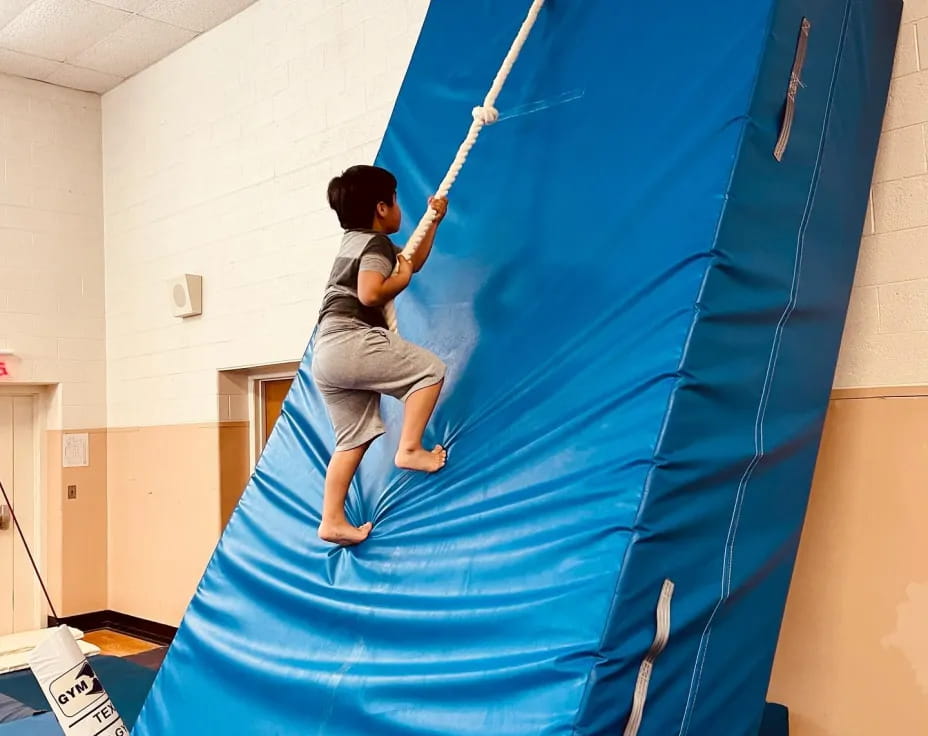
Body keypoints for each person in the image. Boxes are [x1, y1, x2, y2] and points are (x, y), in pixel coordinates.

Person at [312, 165, 448, 546]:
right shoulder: (373, 246)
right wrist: (400, 280)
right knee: (430, 371)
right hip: (350, 338)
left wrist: (433, 220)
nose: (399, 207)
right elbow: (372, 293)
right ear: (382, 208)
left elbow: (410, 261)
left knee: (351, 439)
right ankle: (409, 449)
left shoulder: (354, 242)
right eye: (396, 200)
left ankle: (332, 520)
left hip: (326, 352)